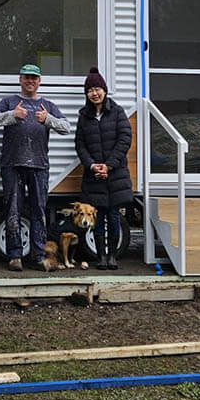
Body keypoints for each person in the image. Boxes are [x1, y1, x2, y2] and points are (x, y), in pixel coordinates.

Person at [0, 64, 69, 271]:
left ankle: (38, 255)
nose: (30, 81)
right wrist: (12, 115)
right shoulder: (9, 102)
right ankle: (15, 256)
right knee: (13, 211)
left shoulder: (47, 105)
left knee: (38, 211)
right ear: (20, 79)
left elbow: (66, 127)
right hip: (12, 165)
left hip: (39, 166)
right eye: (26, 77)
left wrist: (47, 120)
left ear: (39, 81)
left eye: (34, 78)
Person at [74, 67, 134, 269]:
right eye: (90, 90)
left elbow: (125, 139)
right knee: (97, 218)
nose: (95, 93)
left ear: (105, 90)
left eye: (98, 88)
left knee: (114, 216)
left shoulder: (117, 112)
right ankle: (100, 257)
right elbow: (80, 144)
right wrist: (92, 165)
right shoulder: (84, 115)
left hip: (115, 174)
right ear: (87, 94)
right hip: (93, 176)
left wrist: (108, 165)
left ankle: (112, 257)